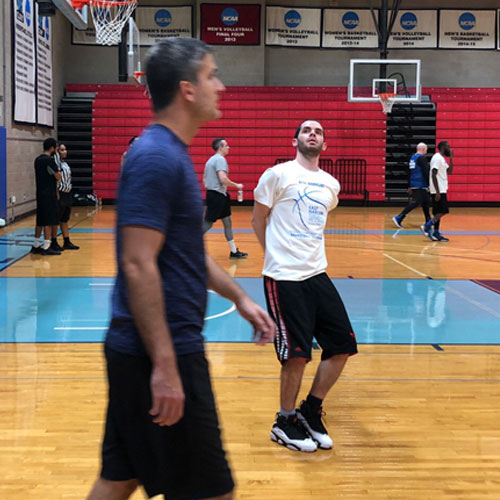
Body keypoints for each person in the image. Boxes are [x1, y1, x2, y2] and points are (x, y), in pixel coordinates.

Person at [87, 38, 275, 500]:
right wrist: (166, 366)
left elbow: (188, 253)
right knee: (213, 492)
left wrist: (240, 298)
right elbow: (138, 263)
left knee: (120, 479)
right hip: (160, 351)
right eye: (212, 75)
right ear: (188, 90)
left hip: (144, 351)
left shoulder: (170, 154)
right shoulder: (156, 158)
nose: (221, 86)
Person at [252, 120, 358, 453]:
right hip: (284, 276)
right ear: (295, 139)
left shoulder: (331, 185)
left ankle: (310, 409)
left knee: (342, 344)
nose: (312, 134)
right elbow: (257, 218)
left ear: (324, 144)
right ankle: (284, 421)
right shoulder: (277, 175)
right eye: (306, 130)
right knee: (296, 354)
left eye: (318, 132)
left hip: (317, 274)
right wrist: (272, 255)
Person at [202, 138, 248, 259]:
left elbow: (204, 181)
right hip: (217, 196)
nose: (229, 147)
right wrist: (236, 185)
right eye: (226, 145)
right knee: (208, 223)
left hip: (219, 195)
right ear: (220, 147)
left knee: (227, 222)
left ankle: (233, 251)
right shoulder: (220, 160)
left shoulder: (210, 160)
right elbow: (223, 179)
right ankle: (188, 245)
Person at [31, 138, 62, 256]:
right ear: (52, 147)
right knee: (48, 220)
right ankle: (47, 246)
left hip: (40, 193)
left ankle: (35, 245)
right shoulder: (49, 160)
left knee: (40, 220)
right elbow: (58, 176)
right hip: (49, 194)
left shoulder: (37, 160)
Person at [421, 141, 454, 242]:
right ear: (443, 147)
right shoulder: (437, 158)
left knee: (438, 212)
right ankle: (427, 226)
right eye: (448, 147)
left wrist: (451, 159)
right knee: (444, 211)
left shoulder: (442, 159)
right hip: (438, 189)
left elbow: (449, 172)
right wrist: (437, 192)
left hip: (442, 188)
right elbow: (433, 174)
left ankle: (436, 233)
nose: (449, 149)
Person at [392, 142, 431, 228]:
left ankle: (428, 221)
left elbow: (409, 172)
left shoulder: (413, 158)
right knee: (416, 202)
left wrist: (409, 185)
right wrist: (429, 183)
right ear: (423, 149)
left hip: (414, 182)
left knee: (426, 201)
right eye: (426, 149)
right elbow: (425, 172)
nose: (426, 151)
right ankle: (399, 217)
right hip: (420, 183)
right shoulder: (422, 158)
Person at [54, 143, 79, 250]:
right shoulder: (56, 163)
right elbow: (55, 180)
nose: (65, 151)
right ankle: (53, 241)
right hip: (60, 193)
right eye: (62, 150)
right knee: (56, 219)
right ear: (57, 151)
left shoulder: (65, 163)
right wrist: (57, 193)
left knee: (64, 219)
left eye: (65, 149)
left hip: (67, 193)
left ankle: (67, 241)